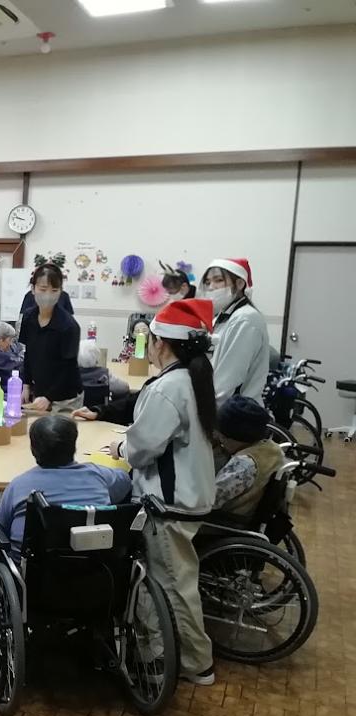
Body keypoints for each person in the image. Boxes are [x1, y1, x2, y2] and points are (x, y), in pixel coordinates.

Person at [108, 298, 218, 686]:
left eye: (152, 340)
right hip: (193, 493)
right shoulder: (193, 379)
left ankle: (195, 664)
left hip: (169, 503)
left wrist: (121, 448)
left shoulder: (169, 387)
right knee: (178, 580)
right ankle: (183, 656)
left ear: (162, 344)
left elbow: (142, 449)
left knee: (173, 586)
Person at [0, 415, 131, 556]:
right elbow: (126, 481)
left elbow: (2, 526)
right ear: (73, 446)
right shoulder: (99, 476)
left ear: (33, 448)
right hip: (96, 564)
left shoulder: (19, 486)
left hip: (31, 566)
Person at [201, 258, 269, 405]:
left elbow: (226, 383)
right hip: (221, 404)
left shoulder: (245, 319)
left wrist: (204, 410)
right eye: (207, 282)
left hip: (235, 410)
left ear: (239, 284)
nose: (211, 287)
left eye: (218, 280)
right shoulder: (222, 316)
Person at [19, 262, 83, 413]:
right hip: (40, 392)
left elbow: (68, 368)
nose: (48, 295)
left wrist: (49, 397)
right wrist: (26, 384)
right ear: (33, 289)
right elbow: (28, 354)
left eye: (54, 290)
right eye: (43, 289)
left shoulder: (69, 326)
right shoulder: (28, 317)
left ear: (61, 292)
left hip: (66, 397)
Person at [213, 396, 284, 521]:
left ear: (237, 437)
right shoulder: (273, 449)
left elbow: (209, 501)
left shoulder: (244, 465)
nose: (221, 441)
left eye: (223, 437)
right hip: (252, 514)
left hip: (226, 521)